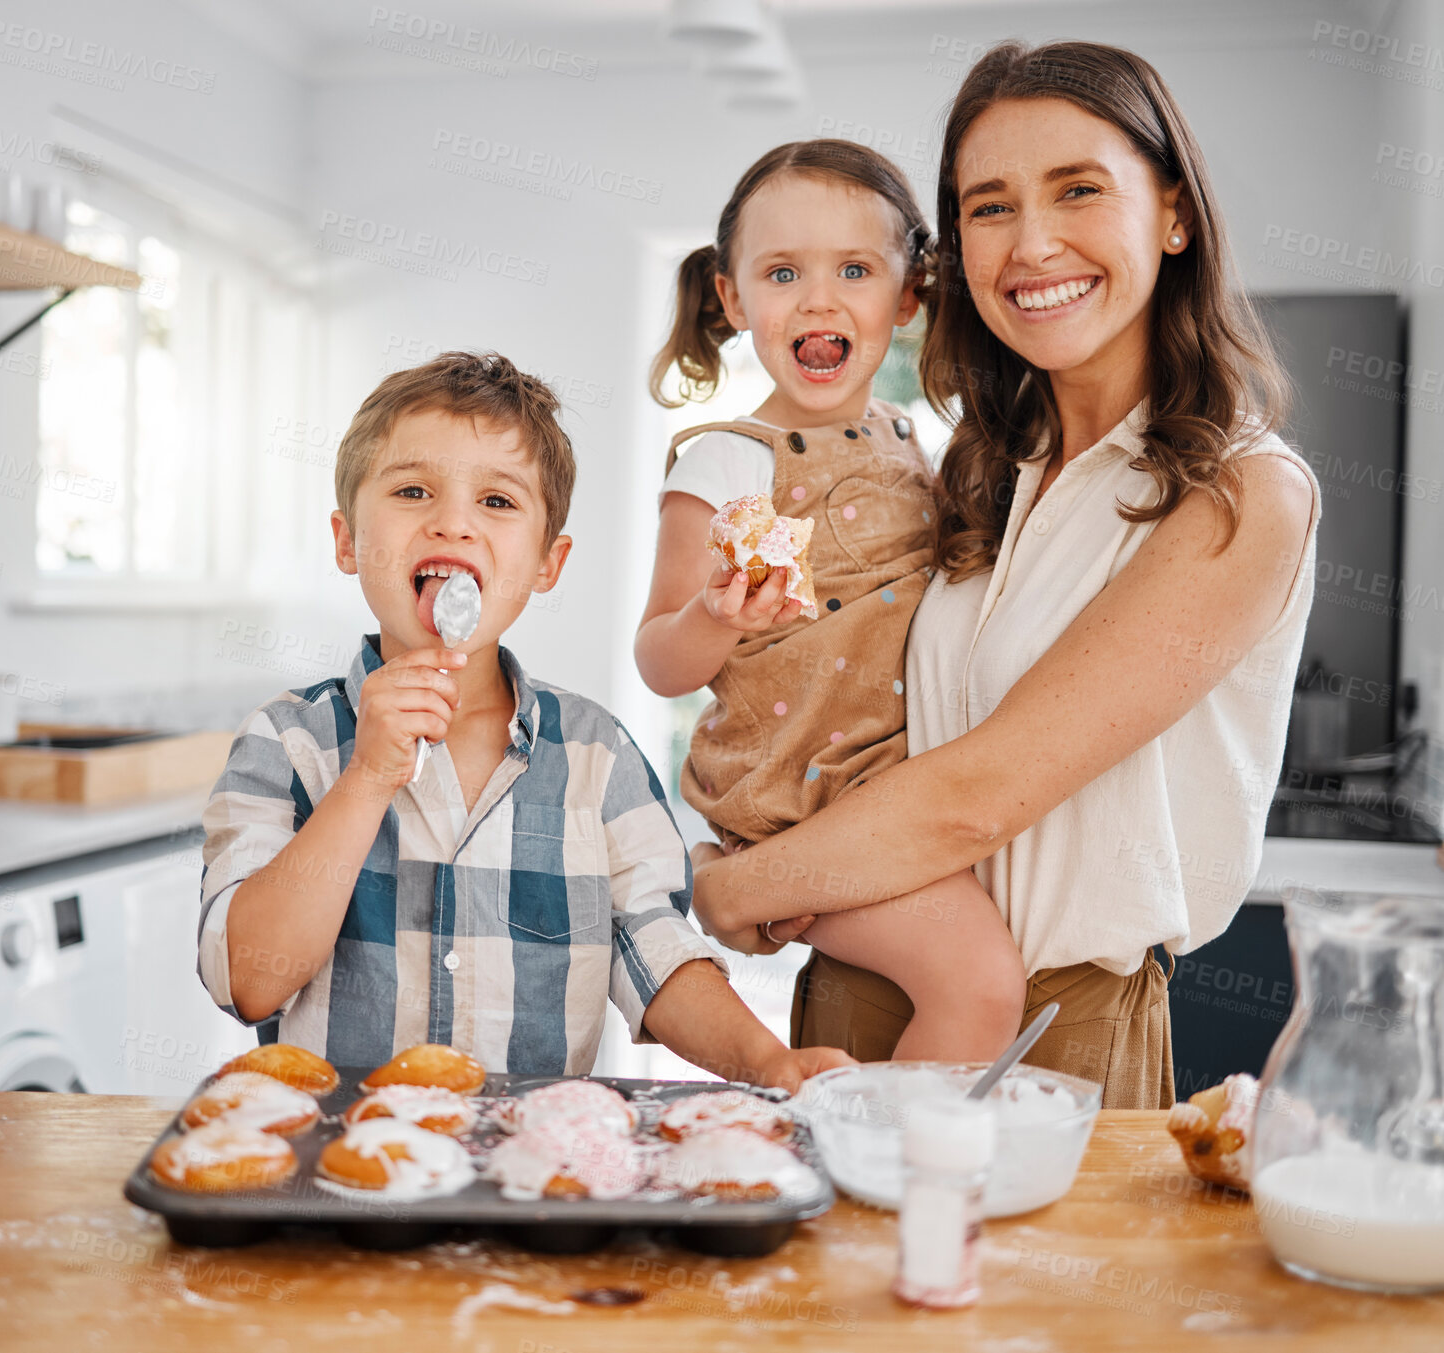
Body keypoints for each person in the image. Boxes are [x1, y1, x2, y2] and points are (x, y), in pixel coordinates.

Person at [687, 41, 1322, 1110]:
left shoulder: (1241, 494)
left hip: (1049, 1035)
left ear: (1172, 214)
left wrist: (726, 885)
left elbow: (977, 798)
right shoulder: (973, 474)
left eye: (1077, 190)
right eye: (988, 207)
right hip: (851, 987)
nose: (1031, 245)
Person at [195, 351, 853, 1093]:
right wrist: (367, 777)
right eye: (413, 490)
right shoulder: (285, 742)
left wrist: (766, 1061)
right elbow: (248, 980)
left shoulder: (597, 756)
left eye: (498, 502)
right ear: (348, 541)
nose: (453, 522)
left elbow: (655, 953)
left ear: (548, 562)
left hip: (530, 1174)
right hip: (339, 1177)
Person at [636, 140, 1027, 1061]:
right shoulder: (725, 462)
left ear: (906, 296)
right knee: (980, 983)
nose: (818, 299)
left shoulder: (911, 436)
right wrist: (717, 619)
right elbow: (658, 661)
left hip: (897, 785)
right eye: (782, 273)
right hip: (798, 805)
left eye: (853, 269)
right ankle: (896, 1186)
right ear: (733, 300)